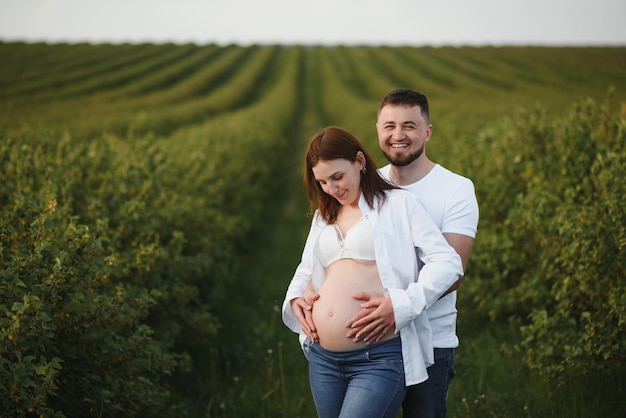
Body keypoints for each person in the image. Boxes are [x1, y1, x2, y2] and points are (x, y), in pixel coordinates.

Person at [282, 126, 464, 418]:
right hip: (323, 359)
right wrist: (296, 298)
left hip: (378, 357)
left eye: (338, 177)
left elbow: (448, 264)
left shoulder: (398, 205)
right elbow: (306, 267)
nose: (332, 188)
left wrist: (400, 304)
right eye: (323, 182)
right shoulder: (324, 215)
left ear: (359, 161)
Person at [346, 88, 480, 418]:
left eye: (409, 125)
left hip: (431, 340)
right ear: (377, 129)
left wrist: (396, 306)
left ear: (427, 132)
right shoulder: (367, 186)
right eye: (389, 126)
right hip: (373, 337)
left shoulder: (456, 189)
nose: (398, 135)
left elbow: (453, 273)